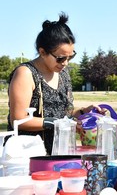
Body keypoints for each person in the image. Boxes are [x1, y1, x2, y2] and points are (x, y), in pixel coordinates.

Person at [6, 12, 104, 155]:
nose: (65, 63)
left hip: (58, 153)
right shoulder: (25, 73)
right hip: (26, 155)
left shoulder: (63, 74)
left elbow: (63, 116)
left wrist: (83, 112)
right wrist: (56, 123)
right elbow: (18, 119)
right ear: (42, 52)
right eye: (60, 58)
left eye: (70, 57)